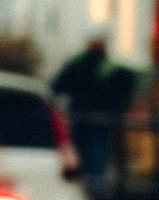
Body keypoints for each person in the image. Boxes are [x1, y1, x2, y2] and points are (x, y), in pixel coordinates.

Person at [52, 34, 131, 189]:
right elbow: (122, 93)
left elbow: (57, 86)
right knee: (97, 156)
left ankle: (79, 189)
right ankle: (96, 189)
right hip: (101, 119)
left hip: (79, 117)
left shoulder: (76, 64)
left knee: (79, 155)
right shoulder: (112, 67)